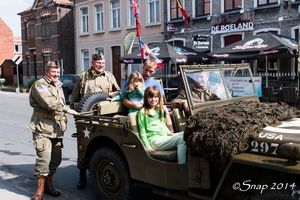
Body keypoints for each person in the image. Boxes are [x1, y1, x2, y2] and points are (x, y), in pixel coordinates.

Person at [28, 61, 78, 200]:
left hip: (56, 129)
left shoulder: (58, 86)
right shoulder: (40, 85)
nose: (56, 74)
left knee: (55, 160)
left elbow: (62, 102)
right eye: (53, 72)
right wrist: (67, 109)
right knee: (44, 160)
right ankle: (39, 191)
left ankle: (49, 186)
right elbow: (48, 102)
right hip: (43, 128)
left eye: (57, 72)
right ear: (47, 72)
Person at [71, 52, 121, 190]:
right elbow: (73, 98)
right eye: (98, 63)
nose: (101, 65)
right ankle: (82, 175)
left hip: (106, 117)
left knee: (103, 144)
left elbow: (119, 91)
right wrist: (78, 109)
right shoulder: (83, 77)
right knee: (84, 147)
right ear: (92, 63)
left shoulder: (109, 76)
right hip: (87, 118)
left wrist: (113, 94)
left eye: (103, 63)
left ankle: (97, 169)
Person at [138, 86, 187, 164]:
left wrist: (169, 133)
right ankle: (182, 165)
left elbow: (162, 125)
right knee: (182, 139)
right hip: (154, 141)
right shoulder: (143, 112)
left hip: (164, 137)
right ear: (146, 98)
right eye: (150, 97)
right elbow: (142, 131)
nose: (153, 99)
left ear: (159, 98)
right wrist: (148, 147)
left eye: (155, 97)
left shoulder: (159, 110)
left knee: (187, 134)